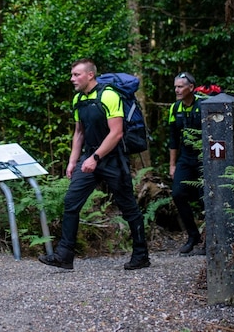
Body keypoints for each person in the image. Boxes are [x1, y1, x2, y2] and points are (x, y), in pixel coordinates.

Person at [38, 59, 150, 270]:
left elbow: (116, 133)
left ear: (90, 75)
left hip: (112, 158)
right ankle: (64, 255)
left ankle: (141, 254)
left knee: (128, 208)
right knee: (71, 202)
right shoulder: (78, 99)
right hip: (89, 158)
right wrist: (73, 162)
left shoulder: (109, 95)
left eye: (76, 75)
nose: (72, 79)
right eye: (72, 75)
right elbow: (79, 132)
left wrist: (95, 158)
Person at [168, 72, 207, 255]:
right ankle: (193, 235)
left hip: (204, 157)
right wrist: (172, 165)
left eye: (180, 86)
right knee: (177, 193)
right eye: (175, 86)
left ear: (191, 87)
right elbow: (173, 138)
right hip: (185, 157)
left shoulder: (204, 104)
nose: (177, 90)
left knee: (205, 197)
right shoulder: (175, 108)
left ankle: (209, 239)